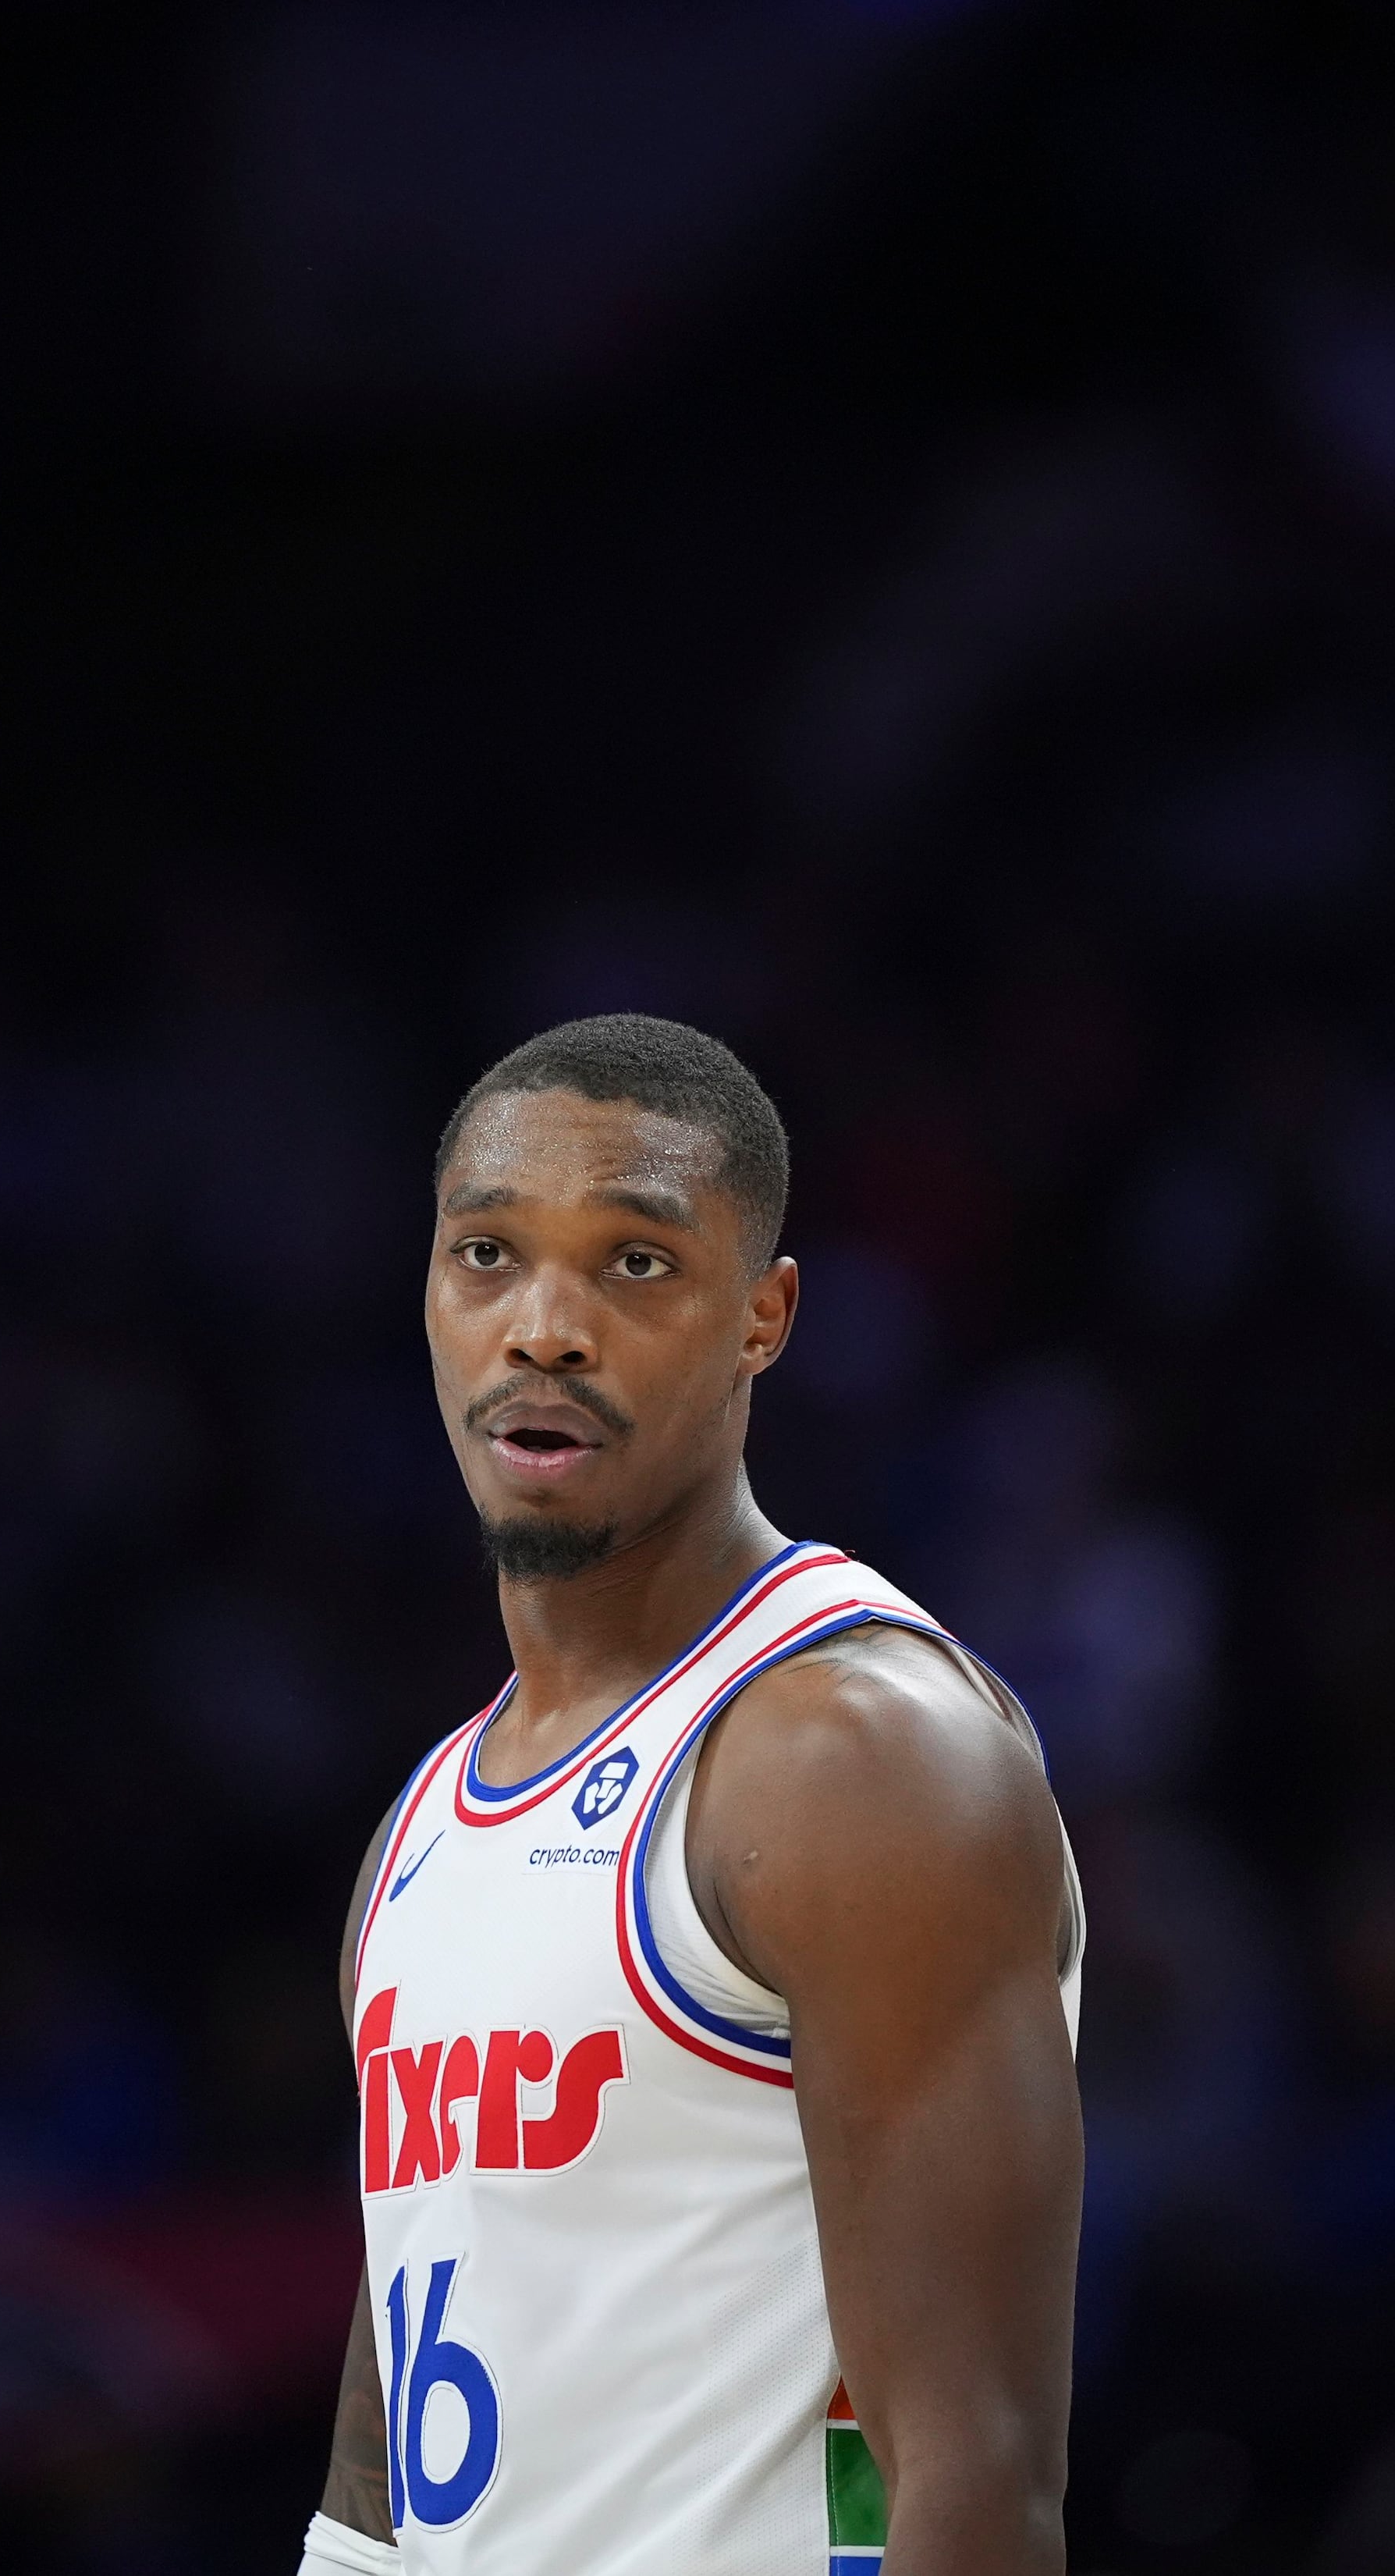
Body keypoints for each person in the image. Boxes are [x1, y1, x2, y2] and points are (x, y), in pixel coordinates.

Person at [303, 1014, 1084, 2576]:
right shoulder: (424, 1829)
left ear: (761, 1317)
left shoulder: (853, 1755)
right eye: (487, 1255)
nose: (545, 1329)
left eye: (637, 1263)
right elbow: (377, 2504)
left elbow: (973, 2481)